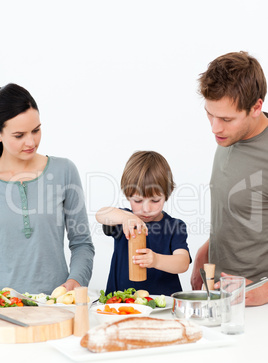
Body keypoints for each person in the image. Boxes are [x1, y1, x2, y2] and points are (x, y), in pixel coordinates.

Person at [0, 83, 95, 294]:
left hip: (56, 306)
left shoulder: (64, 171)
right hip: (4, 311)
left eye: (36, 130)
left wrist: (75, 281)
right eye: (19, 135)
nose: (31, 142)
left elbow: (82, 243)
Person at [191, 51, 268, 306]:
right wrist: (208, 249)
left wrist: (260, 293)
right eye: (209, 114)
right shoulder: (229, 136)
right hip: (221, 297)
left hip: (256, 308)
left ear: (256, 107)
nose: (214, 128)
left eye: (225, 119)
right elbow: (248, 208)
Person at [96, 150, 191, 296]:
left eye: (154, 200)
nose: (146, 209)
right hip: (121, 304)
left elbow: (183, 262)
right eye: (138, 201)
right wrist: (126, 217)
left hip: (162, 306)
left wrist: (156, 260)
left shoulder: (174, 227)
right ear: (128, 196)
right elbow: (101, 214)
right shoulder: (124, 220)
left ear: (167, 194)